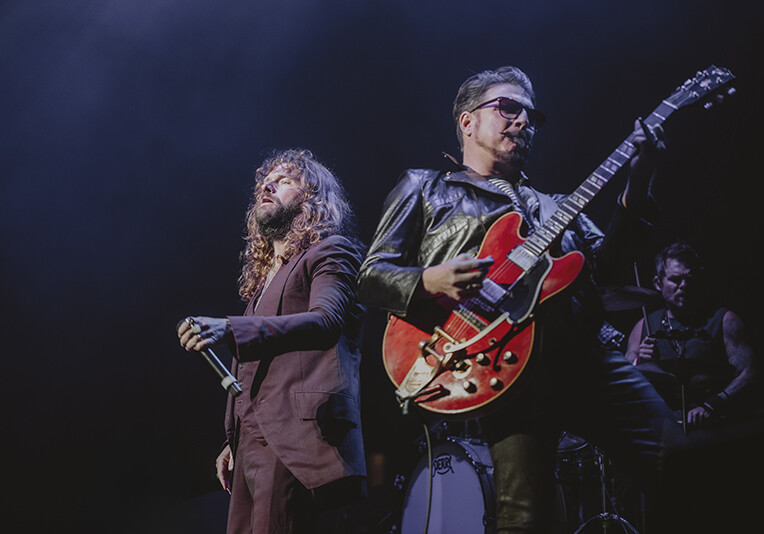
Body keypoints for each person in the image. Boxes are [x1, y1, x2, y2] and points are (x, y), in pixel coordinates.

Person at [356, 66, 684, 533]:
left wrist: (638, 182)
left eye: (530, 115)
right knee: (525, 517)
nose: (523, 120)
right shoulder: (426, 188)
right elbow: (369, 277)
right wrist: (430, 280)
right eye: (508, 108)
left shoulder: (556, 205)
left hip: (583, 355)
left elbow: (607, 273)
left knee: (680, 458)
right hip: (503, 364)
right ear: (467, 122)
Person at [177, 149, 366, 533]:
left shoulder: (331, 252)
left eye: (286, 181)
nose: (268, 185)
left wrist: (230, 329)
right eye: (266, 181)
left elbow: (326, 321)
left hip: (296, 439)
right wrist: (237, 435)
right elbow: (262, 371)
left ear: (312, 198)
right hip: (252, 444)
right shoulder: (261, 287)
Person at [625, 241, 758, 433]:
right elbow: (623, 382)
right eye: (675, 279)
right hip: (665, 431)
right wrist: (640, 361)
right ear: (657, 283)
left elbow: (749, 373)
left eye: (690, 278)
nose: (684, 285)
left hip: (716, 425)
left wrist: (713, 404)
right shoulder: (643, 326)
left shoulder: (725, 319)